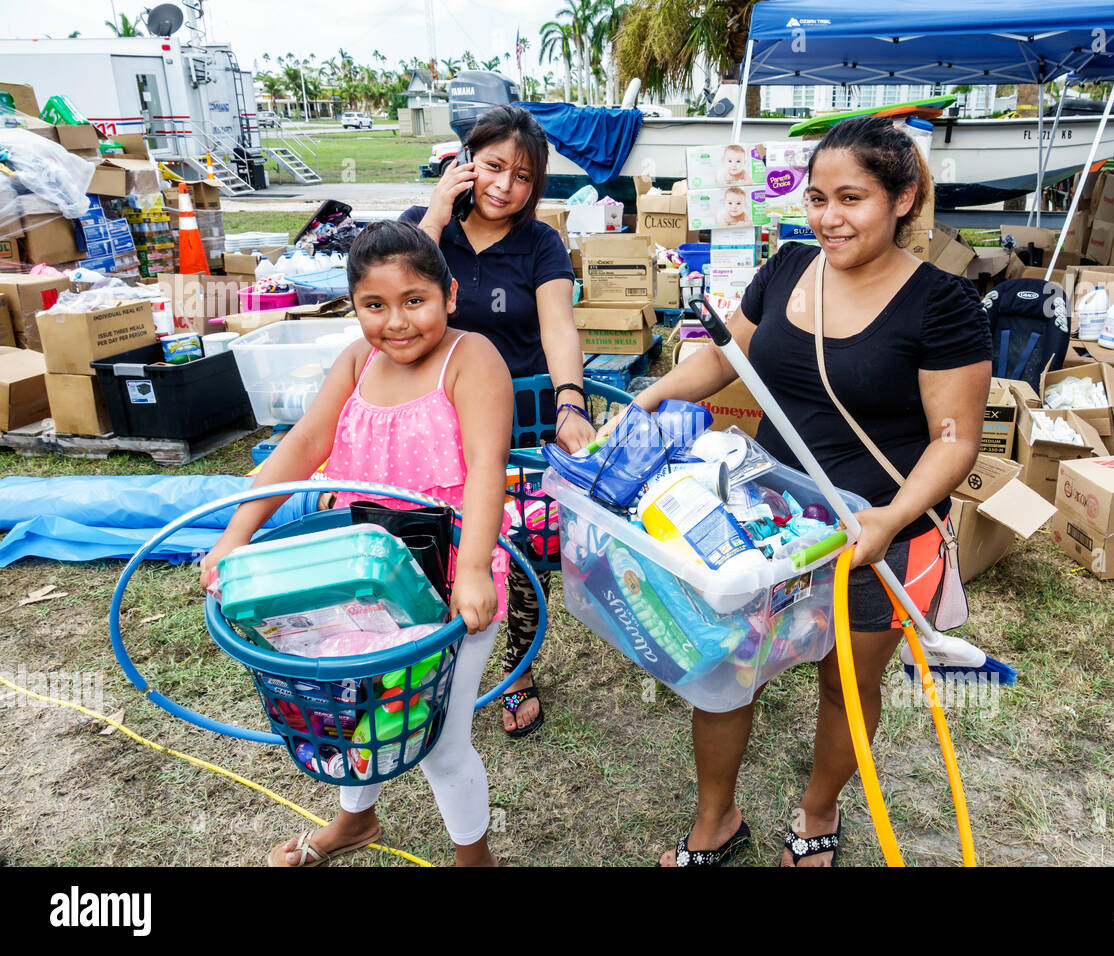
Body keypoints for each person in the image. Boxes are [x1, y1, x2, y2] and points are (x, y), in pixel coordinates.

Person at [601, 116, 991, 866]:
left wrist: (891, 517)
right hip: (766, 520)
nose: (829, 217)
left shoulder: (941, 304)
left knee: (846, 682)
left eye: (852, 198)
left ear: (903, 198)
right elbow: (725, 364)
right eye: (817, 197)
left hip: (878, 536)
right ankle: (715, 820)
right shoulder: (785, 267)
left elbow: (955, 443)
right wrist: (645, 401)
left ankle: (818, 812)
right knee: (725, 674)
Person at [200, 220, 515, 867]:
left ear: (450, 296)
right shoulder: (355, 360)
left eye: (414, 301)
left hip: (449, 580)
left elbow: (487, 466)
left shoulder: (472, 359)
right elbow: (303, 446)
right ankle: (357, 821)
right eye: (374, 305)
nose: (396, 322)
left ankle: (475, 862)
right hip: (358, 578)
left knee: (441, 739)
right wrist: (236, 533)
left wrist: (475, 569)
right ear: (354, 307)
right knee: (355, 703)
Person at [401, 104, 595, 738]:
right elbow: (394, 297)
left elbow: (558, 326)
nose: (504, 186)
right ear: (464, 162)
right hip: (435, 417)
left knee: (510, 545)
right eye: (491, 167)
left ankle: (517, 669)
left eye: (522, 176)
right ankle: (424, 666)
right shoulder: (422, 229)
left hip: (517, 418)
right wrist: (434, 213)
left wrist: (569, 402)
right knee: (429, 540)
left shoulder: (540, 243)